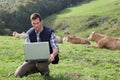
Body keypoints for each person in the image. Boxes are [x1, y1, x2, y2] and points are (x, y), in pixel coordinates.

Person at [14, 13, 59, 78]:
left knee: (40, 65)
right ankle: (36, 68)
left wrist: (53, 55)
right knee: (17, 74)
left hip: (47, 58)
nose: (36, 25)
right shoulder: (29, 33)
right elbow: (28, 48)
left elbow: (55, 48)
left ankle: (46, 74)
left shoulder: (50, 32)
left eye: (38, 23)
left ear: (41, 21)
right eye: (34, 23)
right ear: (31, 23)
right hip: (33, 59)